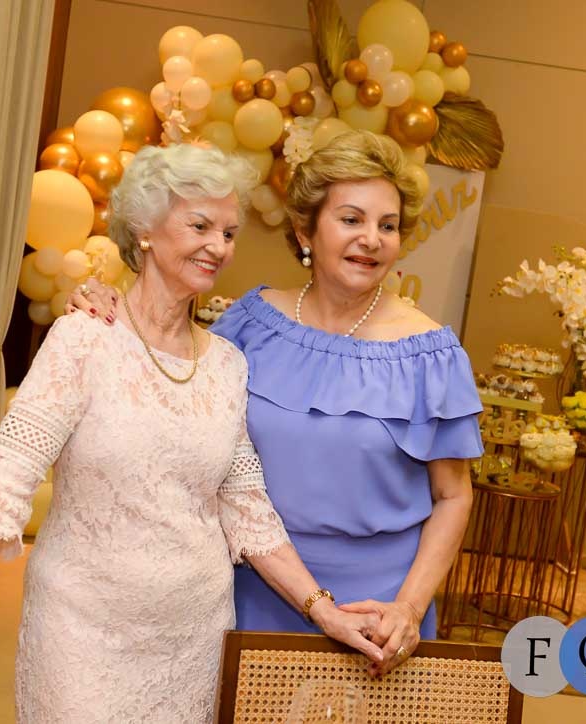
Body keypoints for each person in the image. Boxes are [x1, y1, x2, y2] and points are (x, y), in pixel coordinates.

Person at [0, 143, 384, 723]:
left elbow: (247, 510)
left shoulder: (227, 364)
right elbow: (8, 478)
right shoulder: (84, 338)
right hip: (80, 631)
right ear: (144, 230)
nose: (218, 246)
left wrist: (323, 610)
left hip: (193, 637)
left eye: (228, 233)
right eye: (199, 226)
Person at [72, 131, 484, 676]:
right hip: (254, 587)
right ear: (305, 229)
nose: (371, 239)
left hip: (377, 611)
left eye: (387, 226)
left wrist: (408, 607)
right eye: (352, 219)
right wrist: (109, 307)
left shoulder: (429, 354)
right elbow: (168, 380)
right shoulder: (253, 322)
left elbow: (453, 496)